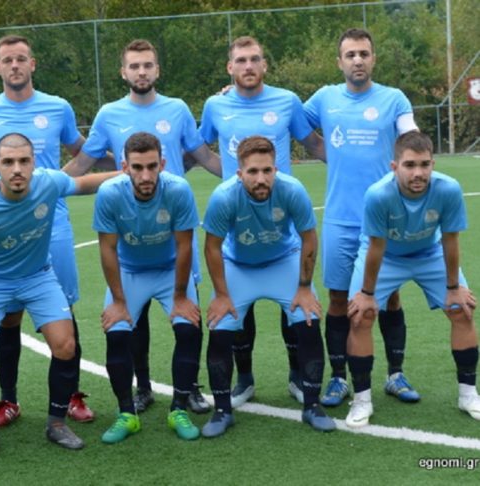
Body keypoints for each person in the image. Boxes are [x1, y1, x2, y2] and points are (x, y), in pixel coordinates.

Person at [63, 38, 221, 415]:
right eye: (134, 66)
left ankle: (190, 388)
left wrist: (243, 178)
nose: (141, 71)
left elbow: (201, 155)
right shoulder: (109, 114)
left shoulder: (177, 109)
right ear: (124, 72)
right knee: (135, 321)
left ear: (157, 69)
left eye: (148, 65)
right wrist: (46, 187)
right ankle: (143, 387)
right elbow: (84, 162)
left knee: (188, 313)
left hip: (172, 225)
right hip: (133, 229)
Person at [0, 133, 118, 459]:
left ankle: (56, 423)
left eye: (24, 161)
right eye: (8, 162)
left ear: (33, 163)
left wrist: (126, 173)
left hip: (37, 277)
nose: (17, 169)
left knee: (65, 345)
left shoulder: (48, 183)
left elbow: (85, 183)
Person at [0, 34, 93, 425]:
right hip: (4, 230)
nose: (15, 65)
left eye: (21, 58)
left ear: (32, 64)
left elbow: (83, 152)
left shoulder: (57, 107)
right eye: (7, 60)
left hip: (53, 225)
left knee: (64, 309)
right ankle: (8, 400)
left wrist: (51, 184)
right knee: (9, 317)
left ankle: (71, 396)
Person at [199, 36, 325, 409]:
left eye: (255, 59)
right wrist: (228, 177)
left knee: (296, 311)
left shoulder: (287, 101)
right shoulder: (215, 105)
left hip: (280, 220)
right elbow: (198, 149)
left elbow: (314, 143)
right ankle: (245, 380)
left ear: (265, 65)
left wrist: (353, 165)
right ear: (230, 68)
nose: (248, 66)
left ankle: (297, 377)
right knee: (239, 312)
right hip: (237, 219)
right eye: (241, 60)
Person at [304, 28, 420, 407]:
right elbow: (293, 125)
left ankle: (395, 374)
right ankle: (339, 378)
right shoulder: (324, 98)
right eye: (350, 54)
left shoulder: (393, 99)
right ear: (339, 61)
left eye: (364, 54)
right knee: (339, 299)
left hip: (384, 220)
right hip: (340, 218)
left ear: (373, 59)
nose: (358, 60)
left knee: (389, 296)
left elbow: (411, 140)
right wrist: (327, 153)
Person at [202, 136, 335, 437]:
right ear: (240, 173)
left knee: (309, 320)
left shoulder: (292, 190)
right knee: (220, 328)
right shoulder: (224, 197)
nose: (260, 179)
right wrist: (221, 295)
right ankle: (222, 410)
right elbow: (212, 247)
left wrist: (304, 287)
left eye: (267, 171)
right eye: (252, 172)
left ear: (276, 169)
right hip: (239, 265)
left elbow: (309, 238)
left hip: (282, 261)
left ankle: (312, 405)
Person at [344, 131, 479, 427]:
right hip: (387, 256)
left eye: (424, 164)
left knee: (462, 309)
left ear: (433, 164)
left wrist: (453, 288)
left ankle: (469, 395)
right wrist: (367, 294)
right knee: (361, 316)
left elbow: (451, 240)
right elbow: (376, 247)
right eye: (409, 165)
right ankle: (362, 400)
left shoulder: (448, 189)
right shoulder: (379, 194)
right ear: (395, 167)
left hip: (429, 252)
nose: (418, 173)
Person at [94, 132, 203, 443]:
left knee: (189, 329)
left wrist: (180, 296)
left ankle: (179, 408)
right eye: (137, 167)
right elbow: (107, 249)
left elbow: (184, 246)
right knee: (116, 334)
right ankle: (127, 414)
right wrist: (118, 302)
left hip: (169, 270)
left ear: (162, 164)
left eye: (152, 167)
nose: (145, 175)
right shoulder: (109, 193)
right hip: (130, 271)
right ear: (124, 167)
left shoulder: (178, 190)